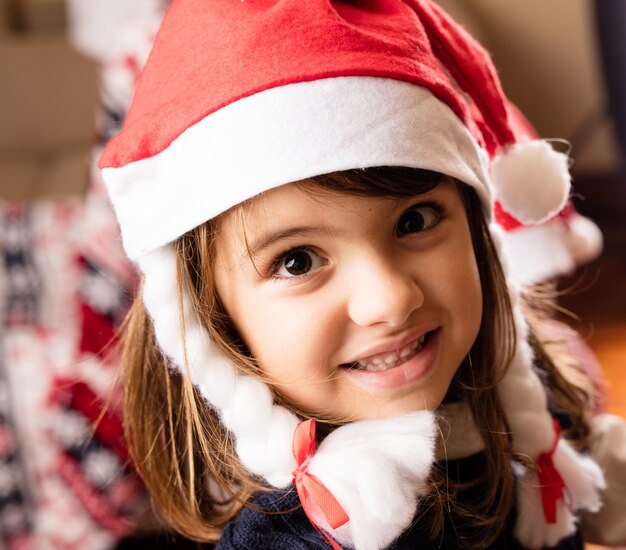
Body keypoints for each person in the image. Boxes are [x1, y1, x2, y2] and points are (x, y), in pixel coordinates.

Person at [98, 1, 619, 548]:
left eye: (414, 221)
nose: (390, 299)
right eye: (297, 261)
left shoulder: (529, 409)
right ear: (213, 320)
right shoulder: (290, 538)